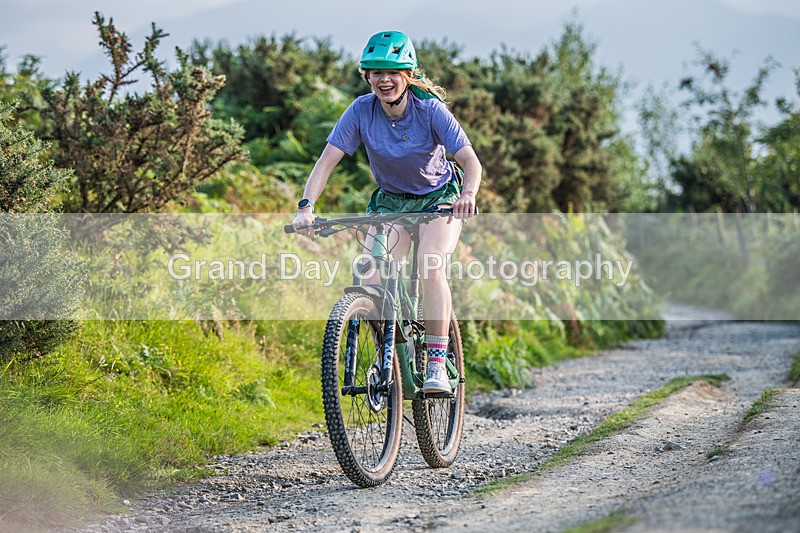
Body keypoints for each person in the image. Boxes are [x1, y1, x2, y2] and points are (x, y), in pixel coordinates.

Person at [292, 30, 482, 393]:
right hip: (390, 203)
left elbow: (470, 161)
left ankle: (437, 363)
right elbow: (326, 161)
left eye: (392, 72)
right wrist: (306, 206)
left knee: (430, 264)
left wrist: (468, 194)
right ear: (367, 76)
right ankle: (391, 360)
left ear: (407, 75)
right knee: (370, 277)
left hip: (437, 199)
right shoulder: (361, 110)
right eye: (375, 72)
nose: (384, 79)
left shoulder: (430, 110)